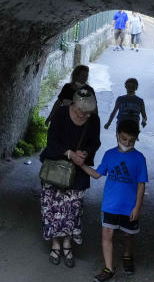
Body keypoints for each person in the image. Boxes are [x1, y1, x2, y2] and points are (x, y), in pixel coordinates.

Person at [39, 86, 101, 269]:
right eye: (83, 112)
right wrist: (69, 153)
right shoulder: (60, 114)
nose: (86, 116)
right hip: (55, 170)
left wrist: (85, 153)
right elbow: (51, 142)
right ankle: (55, 244)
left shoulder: (93, 120)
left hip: (78, 173)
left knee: (72, 211)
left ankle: (67, 244)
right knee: (52, 208)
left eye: (89, 113)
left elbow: (95, 143)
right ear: (74, 104)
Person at [79, 119, 148, 281]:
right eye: (124, 139)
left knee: (128, 235)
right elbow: (97, 174)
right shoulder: (109, 155)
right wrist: (81, 164)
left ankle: (127, 255)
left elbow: (141, 185)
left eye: (131, 140)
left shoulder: (139, 159)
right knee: (107, 235)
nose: (127, 143)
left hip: (129, 206)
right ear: (117, 135)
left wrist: (137, 208)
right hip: (110, 205)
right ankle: (109, 268)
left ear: (136, 139)